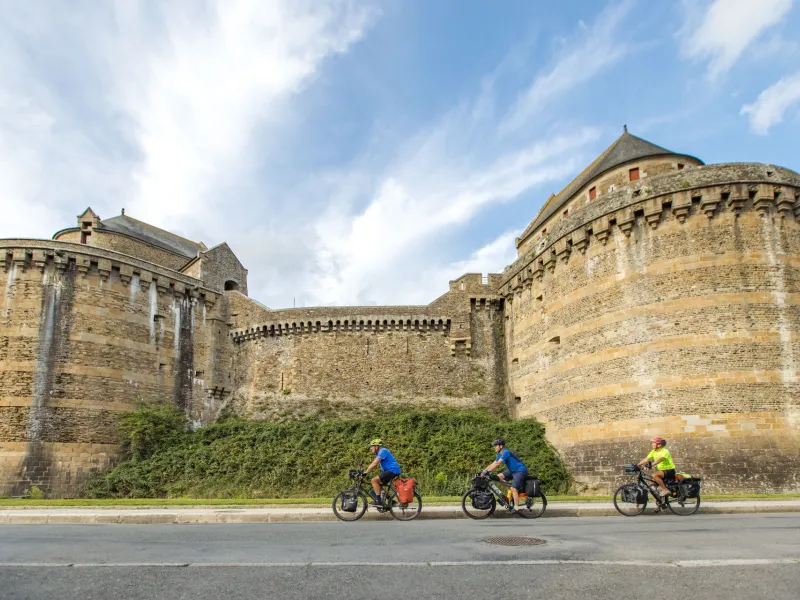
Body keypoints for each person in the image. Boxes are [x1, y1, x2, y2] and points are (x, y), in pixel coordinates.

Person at [481, 438, 528, 511]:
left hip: (520, 471)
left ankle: (516, 507)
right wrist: (483, 471)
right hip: (512, 471)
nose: (495, 447)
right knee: (498, 477)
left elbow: (498, 463)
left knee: (514, 488)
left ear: (501, 446)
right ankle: (510, 493)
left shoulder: (506, 452)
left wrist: (488, 471)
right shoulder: (499, 455)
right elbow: (493, 464)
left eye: (496, 446)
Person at [364, 438, 401, 506]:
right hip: (391, 470)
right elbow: (375, 465)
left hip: (392, 470)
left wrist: (366, 472)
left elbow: (374, 464)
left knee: (374, 481)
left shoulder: (382, 451)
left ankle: (379, 502)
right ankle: (392, 501)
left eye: (372, 446)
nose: (370, 448)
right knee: (378, 485)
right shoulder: (380, 452)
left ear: (377, 446)